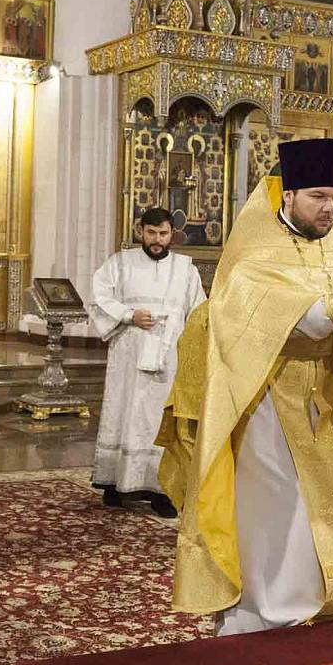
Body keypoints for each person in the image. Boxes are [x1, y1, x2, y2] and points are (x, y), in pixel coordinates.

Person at [157, 139, 333, 636]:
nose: (329, 208)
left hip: (324, 397)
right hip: (263, 399)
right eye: (317, 197)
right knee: (275, 509)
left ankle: (316, 604)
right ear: (288, 195)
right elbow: (299, 320)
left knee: (325, 504)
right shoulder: (255, 252)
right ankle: (261, 614)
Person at [88, 208, 207, 517]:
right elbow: (99, 299)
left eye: (163, 234)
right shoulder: (119, 264)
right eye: (151, 233)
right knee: (124, 412)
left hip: (169, 357)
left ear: (171, 235)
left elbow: (199, 312)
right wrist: (129, 315)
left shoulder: (185, 269)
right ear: (140, 231)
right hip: (129, 356)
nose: (157, 240)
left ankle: (162, 490)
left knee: (160, 419)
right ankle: (115, 482)